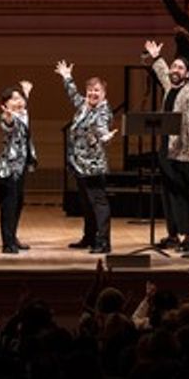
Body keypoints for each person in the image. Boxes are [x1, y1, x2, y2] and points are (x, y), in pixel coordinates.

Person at [144, 40, 189, 251]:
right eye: (174, 66)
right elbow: (162, 73)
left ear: (187, 74)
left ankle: (188, 236)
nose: (174, 70)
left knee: (181, 193)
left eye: (180, 67)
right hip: (165, 147)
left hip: (181, 150)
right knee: (167, 193)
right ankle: (172, 234)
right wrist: (156, 57)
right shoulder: (170, 86)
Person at [58, 60, 117, 254]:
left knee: (99, 204)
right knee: (86, 203)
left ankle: (104, 241)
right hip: (79, 165)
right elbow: (74, 96)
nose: (93, 93)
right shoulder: (85, 106)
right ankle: (89, 237)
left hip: (93, 166)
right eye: (90, 90)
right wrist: (67, 77)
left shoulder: (102, 111)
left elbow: (101, 128)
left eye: (97, 91)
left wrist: (105, 137)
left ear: (104, 94)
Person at [0, 81, 36, 254]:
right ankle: (7, 243)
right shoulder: (7, 117)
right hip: (9, 168)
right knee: (9, 206)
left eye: (19, 99)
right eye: (13, 99)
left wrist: (25, 94)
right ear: (5, 104)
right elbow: (9, 125)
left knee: (18, 204)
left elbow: (23, 107)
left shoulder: (23, 114)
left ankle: (13, 238)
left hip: (21, 167)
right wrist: (9, 117)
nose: (18, 101)